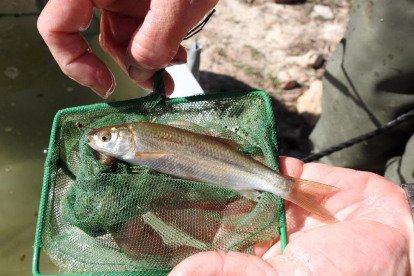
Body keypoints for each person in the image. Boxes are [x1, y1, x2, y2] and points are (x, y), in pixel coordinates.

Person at [37, 0, 414, 275]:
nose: (98, 142)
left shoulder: (139, 144)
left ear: (125, 138)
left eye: (105, 138)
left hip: (249, 174)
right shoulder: (137, 144)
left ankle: (354, 188)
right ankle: (374, 184)